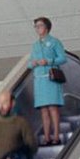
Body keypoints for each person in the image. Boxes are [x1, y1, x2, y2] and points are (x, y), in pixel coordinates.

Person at [29, 17, 67, 146]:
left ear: (47, 27)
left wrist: (49, 61)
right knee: (43, 110)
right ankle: (46, 138)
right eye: (36, 26)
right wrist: (32, 63)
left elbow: (62, 58)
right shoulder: (35, 45)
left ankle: (56, 136)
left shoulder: (55, 42)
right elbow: (29, 64)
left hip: (50, 78)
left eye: (40, 25)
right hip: (39, 79)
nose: (37, 28)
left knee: (53, 108)